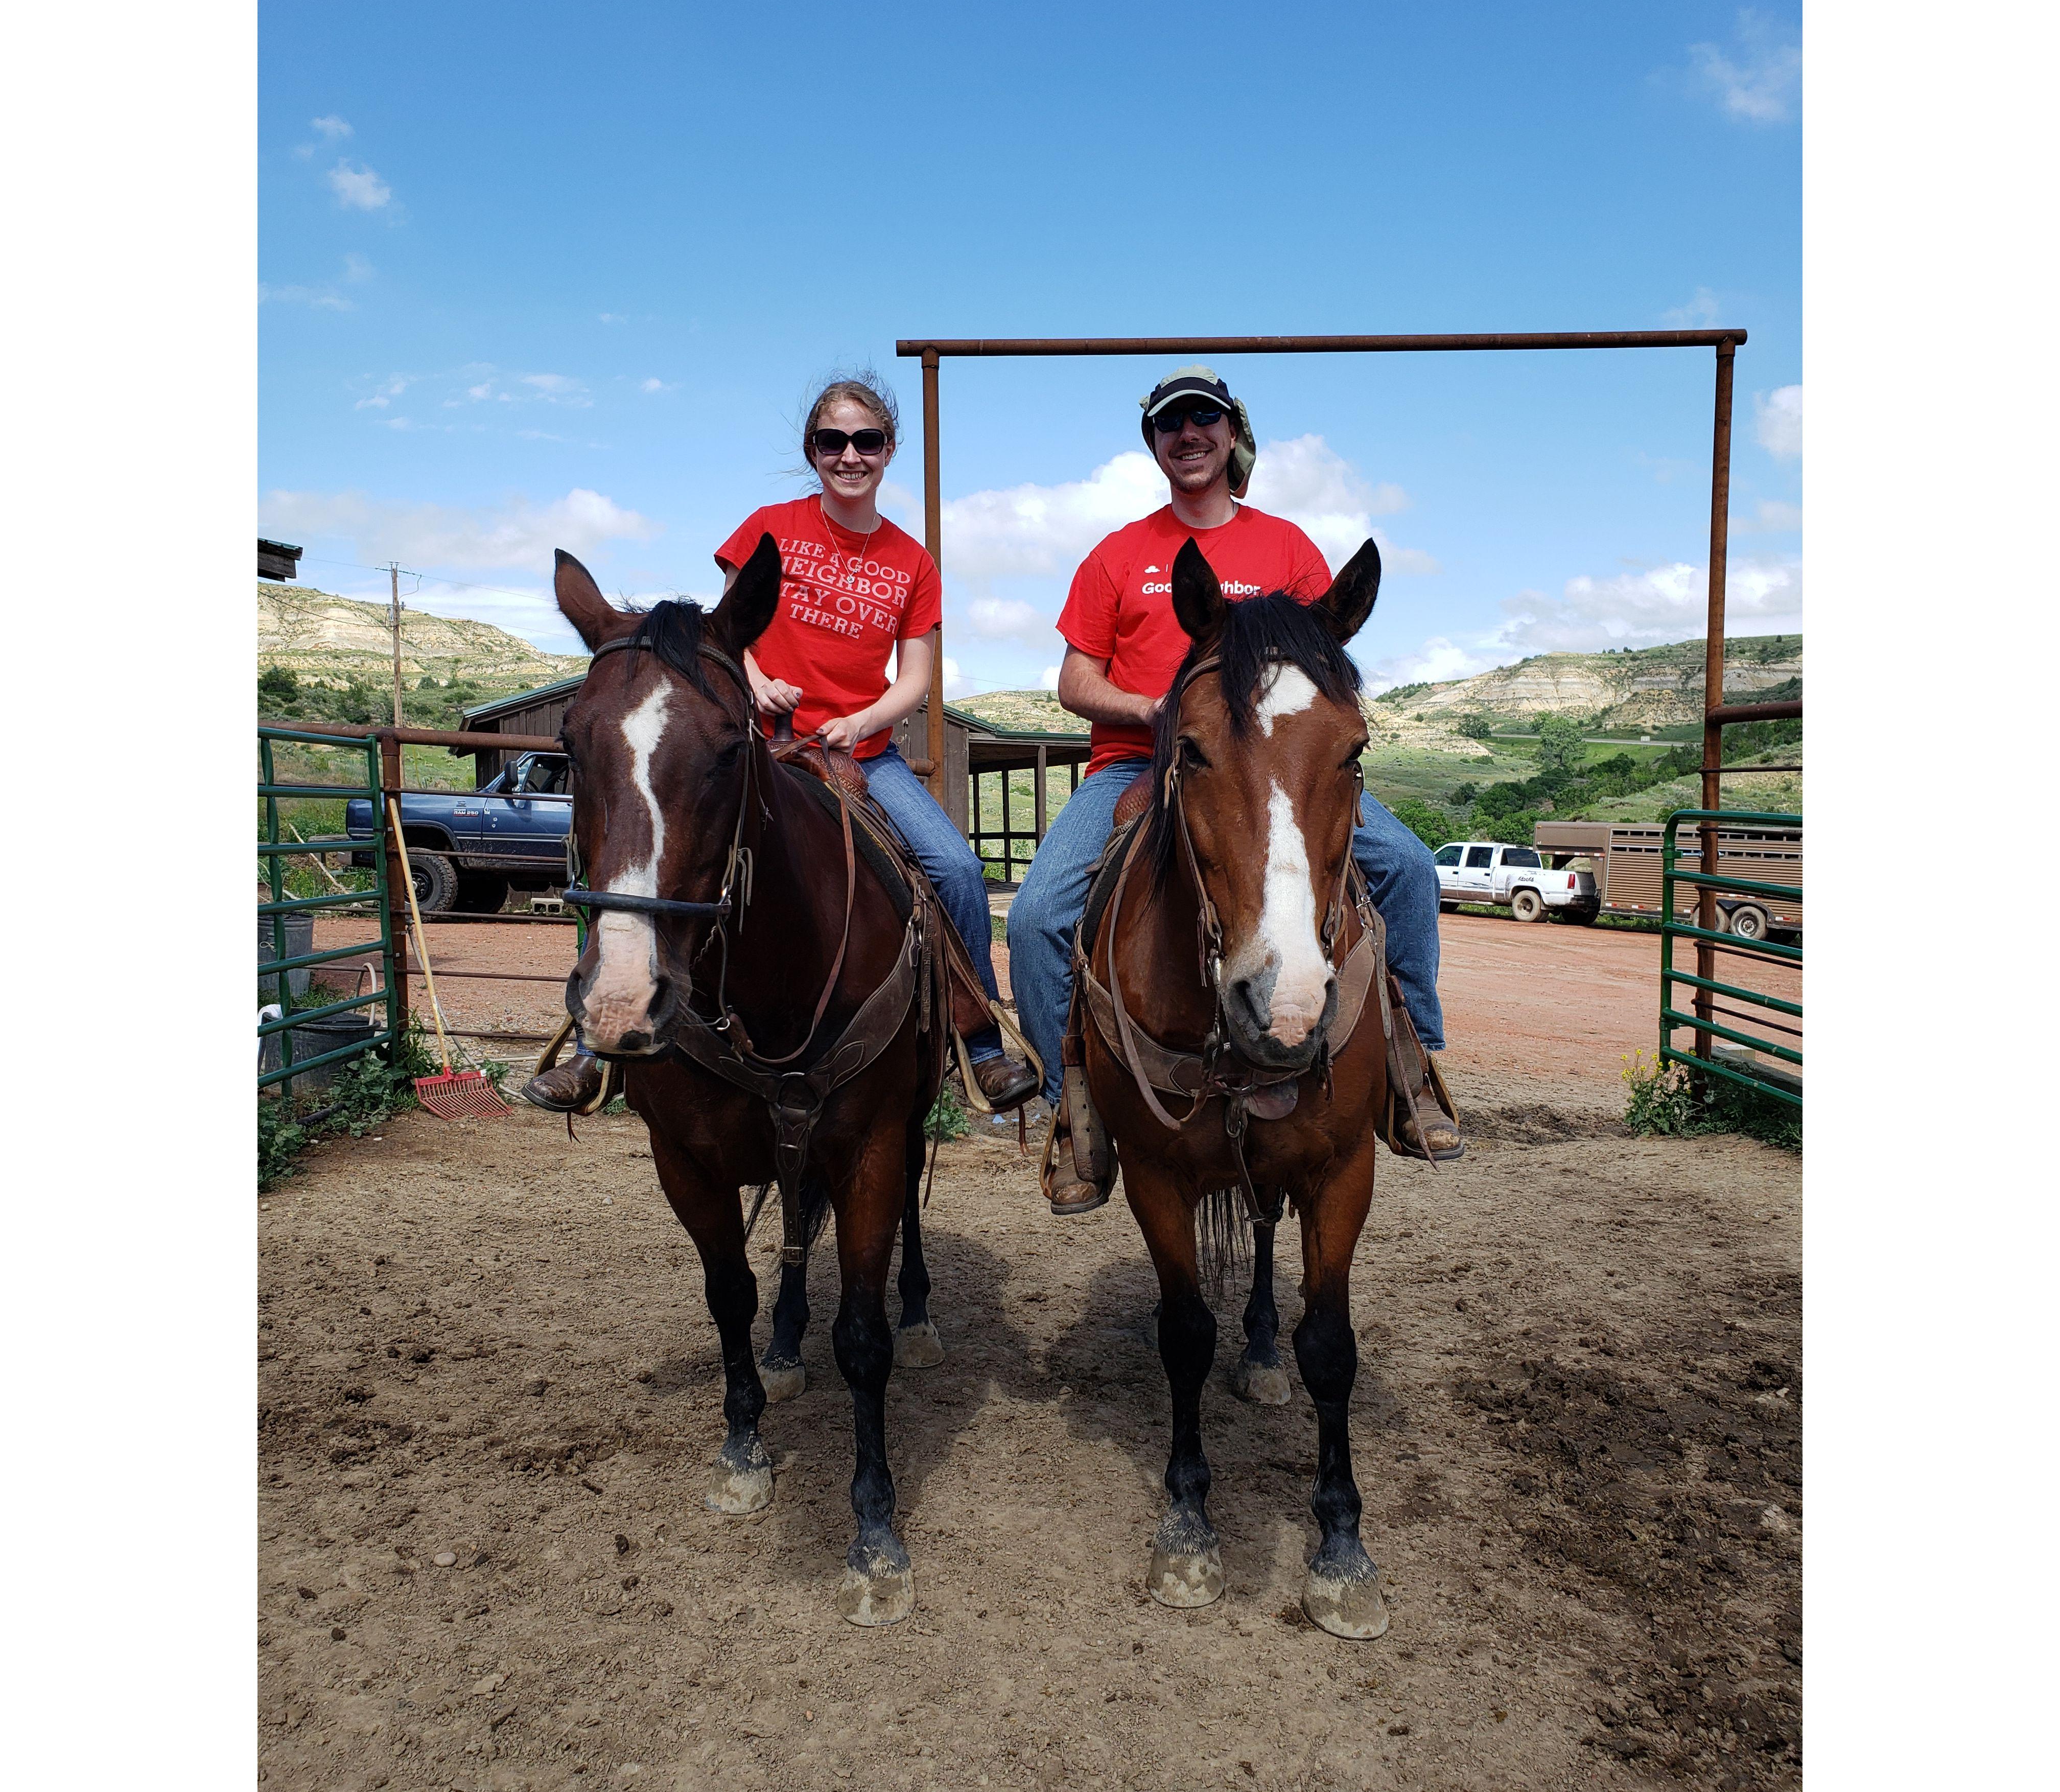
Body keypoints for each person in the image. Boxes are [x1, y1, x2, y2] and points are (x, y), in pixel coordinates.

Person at [1004, 365, 1462, 1205]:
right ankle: (1074, 1104)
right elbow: (1075, 681)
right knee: (1036, 917)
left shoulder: (1286, 548)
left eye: (1203, 421)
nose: (1189, 436)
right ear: (1154, 443)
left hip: (1273, 769)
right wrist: (1158, 709)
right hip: (1135, 765)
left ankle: (1412, 1066)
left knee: (1408, 867)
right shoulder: (1118, 555)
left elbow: (1322, 667)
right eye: (1171, 424)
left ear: (1230, 434)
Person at [526, 374, 1038, 1113]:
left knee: (956, 869)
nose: (850, 455)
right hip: (755, 744)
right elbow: (726, 627)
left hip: (860, 753)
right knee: (638, 849)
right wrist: (757, 681)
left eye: (867, 441)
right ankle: (593, 1044)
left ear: (888, 450)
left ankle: (978, 1042)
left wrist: (862, 722)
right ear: (814, 450)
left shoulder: (911, 561)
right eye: (834, 442)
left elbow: (917, 677)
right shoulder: (771, 528)